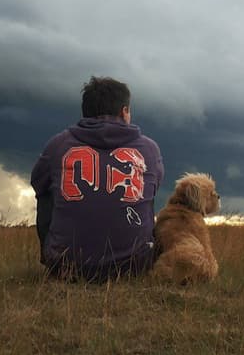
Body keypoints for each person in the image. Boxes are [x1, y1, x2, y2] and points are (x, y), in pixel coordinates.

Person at [30, 76, 164, 280]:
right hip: (135, 268)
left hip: (67, 266)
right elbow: (155, 186)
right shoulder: (150, 149)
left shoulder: (57, 145)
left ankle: (52, 261)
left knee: (45, 192)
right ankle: (138, 249)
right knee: (147, 191)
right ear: (124, 111)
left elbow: (38, 183)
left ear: (85, 113)